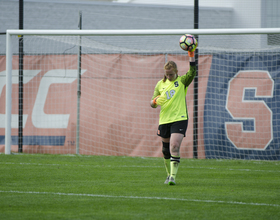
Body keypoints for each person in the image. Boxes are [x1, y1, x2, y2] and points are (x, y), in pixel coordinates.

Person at [150, 49, 197, 185]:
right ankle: (168, 174)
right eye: (167, 74)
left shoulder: (182, 81)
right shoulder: (160, 84)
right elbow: (152, 102)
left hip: (180, 118)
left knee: (174, 146)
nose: (169, 77)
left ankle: (173, 178)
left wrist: (191, 55)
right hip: (165, 119)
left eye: (171, 74)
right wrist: (154, 101)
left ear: (176, 72)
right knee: (165, 150)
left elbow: (192, 72)